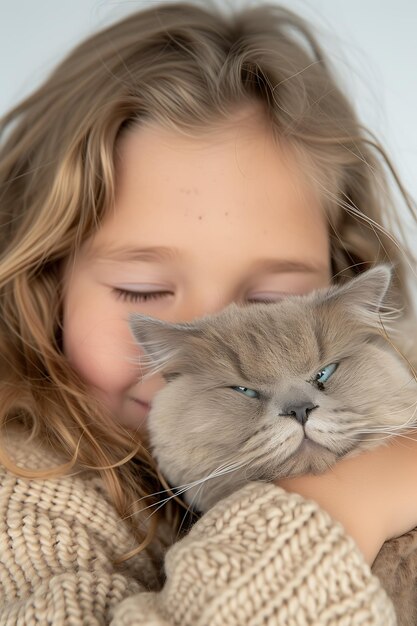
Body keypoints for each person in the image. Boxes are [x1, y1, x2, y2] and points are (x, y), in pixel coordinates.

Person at [0, 1, 416, 623]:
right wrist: (342, 505)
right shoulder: (21, 497)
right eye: (142, 291)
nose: (213, 330)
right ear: (45, 281)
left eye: (272, 303)